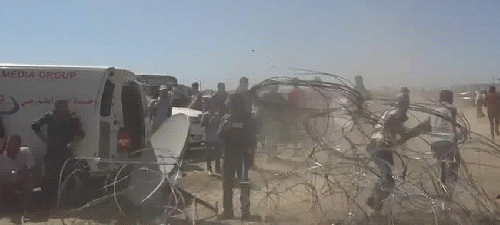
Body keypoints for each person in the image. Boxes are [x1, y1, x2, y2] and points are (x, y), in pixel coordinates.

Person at [31, 100, 84, 203]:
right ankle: (49, 201)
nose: (63, 109)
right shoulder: (50, 116)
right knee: (50, 176)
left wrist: (72, 143)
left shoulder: (73, 118)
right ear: (56, 107)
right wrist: (44, 139)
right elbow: (35, 125)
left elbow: (81, 134)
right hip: (52, 150)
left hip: (66, 151)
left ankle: (69, 201)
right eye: (61, 107)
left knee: (68, 176)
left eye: (65, 106)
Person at [218, 94, 256, 220]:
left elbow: (252, 139)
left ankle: (245, 211)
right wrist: (224, 129)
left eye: (229, 103)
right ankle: (228, 211)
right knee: (227, 185)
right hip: (228, 156)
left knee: (244, 184)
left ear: (236, 105)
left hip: (243, 157)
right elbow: (220, 135)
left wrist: (250, 156)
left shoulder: (248, 119)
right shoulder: (225, 118)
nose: (227, 105)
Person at [429, 90, 460, 197]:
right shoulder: (451, 109)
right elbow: (453, 126)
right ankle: (449, 192)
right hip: (448, 142)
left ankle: (441, 190)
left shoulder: (433, 110)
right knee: (453, 166)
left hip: (435, 143)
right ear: (450, 98)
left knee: (441, 167)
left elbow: (429, 126)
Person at [0, 134, 34, 212]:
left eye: (14, 144)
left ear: (19, 144)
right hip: (6, 180)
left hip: (21, 178)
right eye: (9, 144)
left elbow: (31, 166)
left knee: (30, 177)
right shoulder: (2, 156)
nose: (11, 147)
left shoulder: (26, 151)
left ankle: (25, 206)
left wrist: (22, 172)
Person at [201, 98, 222, 174]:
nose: (212, 107)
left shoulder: (218, 115)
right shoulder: (205, 114)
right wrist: (210, 121)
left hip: (216, 137)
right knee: (208, 154)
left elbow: (221, 125)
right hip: (208, 137)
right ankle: (209, 169)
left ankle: (217, 168)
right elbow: (202, 125)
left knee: (218, 154)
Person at [288, 78, 306, 156]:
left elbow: (290, 104)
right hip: (302, 114)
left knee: (295, 134)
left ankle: (296, 152)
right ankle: (303, 151)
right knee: (301, 133)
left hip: (294, 115)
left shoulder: (291, 92)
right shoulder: (302, 92)